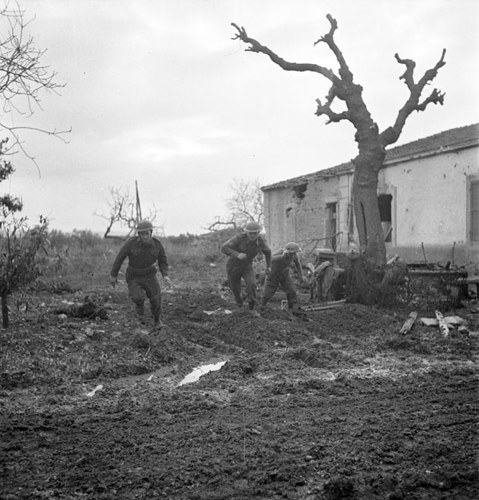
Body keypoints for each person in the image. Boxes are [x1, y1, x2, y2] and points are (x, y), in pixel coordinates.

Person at [109, 220, 172, 328]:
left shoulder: (157, 245)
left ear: (151, 233)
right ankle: (139, 307)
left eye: (147, 233)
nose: (145, 236)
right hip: (134, 276)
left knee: (156, 299)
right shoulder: (131, 243)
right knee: (138, 297)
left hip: (149, 275)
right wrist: (113, 275)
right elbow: (120, 258)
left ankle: (157, 321)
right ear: (139, 234)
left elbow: (163, 261)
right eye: (142, 234)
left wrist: (165, 275)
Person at [221, 221, 272, 316]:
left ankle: (251, 307)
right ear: (247, 232)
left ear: (258, 233)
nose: (253, 235)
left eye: (255, 233)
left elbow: (268, 252)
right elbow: (224, 248)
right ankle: (239, 303)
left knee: (252, 284)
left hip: (247, 265)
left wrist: (268, 267)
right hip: (233, 265)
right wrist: (237, 254)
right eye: (250, 233)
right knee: (235, 288)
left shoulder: (260, 241)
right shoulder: (239, 238)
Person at [261, 242, 305, 314]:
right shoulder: (280, 253)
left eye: (295, 253)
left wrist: (301, 275)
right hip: (273, 274)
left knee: (291, 290)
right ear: (288, 252)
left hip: (284, 274)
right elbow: (270, 259)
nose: (293, 255)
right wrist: (282, 257)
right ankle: (262, 306)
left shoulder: (295, 256)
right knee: (268, 292)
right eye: (292, 253)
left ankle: (291, 308)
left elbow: (298, 264)